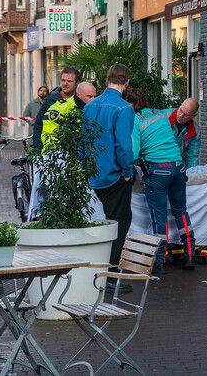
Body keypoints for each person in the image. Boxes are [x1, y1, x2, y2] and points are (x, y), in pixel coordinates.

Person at [126, 87, 195, 273]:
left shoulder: (134, 119)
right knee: (181, 212)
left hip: (158, 170)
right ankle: (190, 255)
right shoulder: (161, 114)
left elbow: (133, 153)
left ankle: (159, 261)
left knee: (160, 218)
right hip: (178, 167)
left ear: (130, 104)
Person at [83, 64, 134, 290]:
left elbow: (83, 142)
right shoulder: (123, 108)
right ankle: (111, 276)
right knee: (119, 224)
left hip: (95, 175)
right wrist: (127, 172)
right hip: (114, 175)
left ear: (107, 80)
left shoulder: (90, 106)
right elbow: (123, 146)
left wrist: (86, 170)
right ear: (126, 83)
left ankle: (105, 271)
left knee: (108, 222)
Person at [32, 67, 80, 149]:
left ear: (77, 83)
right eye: (63, 80)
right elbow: (39, 125)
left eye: (69, 81)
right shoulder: (50, 99)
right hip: (50, 152)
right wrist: (38, 149)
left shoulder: (81, 101)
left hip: (73, 152)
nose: (65, 83)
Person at [41, 82, 97, 149]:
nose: (93, 100)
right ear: (78, 95)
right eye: (90, 96)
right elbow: (49, 137)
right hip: (57, 155)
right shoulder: (59, 109)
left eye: (95, 97)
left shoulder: (93, 109)